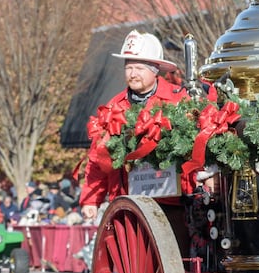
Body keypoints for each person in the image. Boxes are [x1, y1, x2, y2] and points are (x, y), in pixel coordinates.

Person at [80, 31, 191, 223]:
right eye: (129, 68)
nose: (132, 74)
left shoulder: (178, 100)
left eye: (139, 68)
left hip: (174, 203)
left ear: (155, 69)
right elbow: (98, 159)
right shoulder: (113, 108)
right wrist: (91, 200)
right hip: (128, 205)